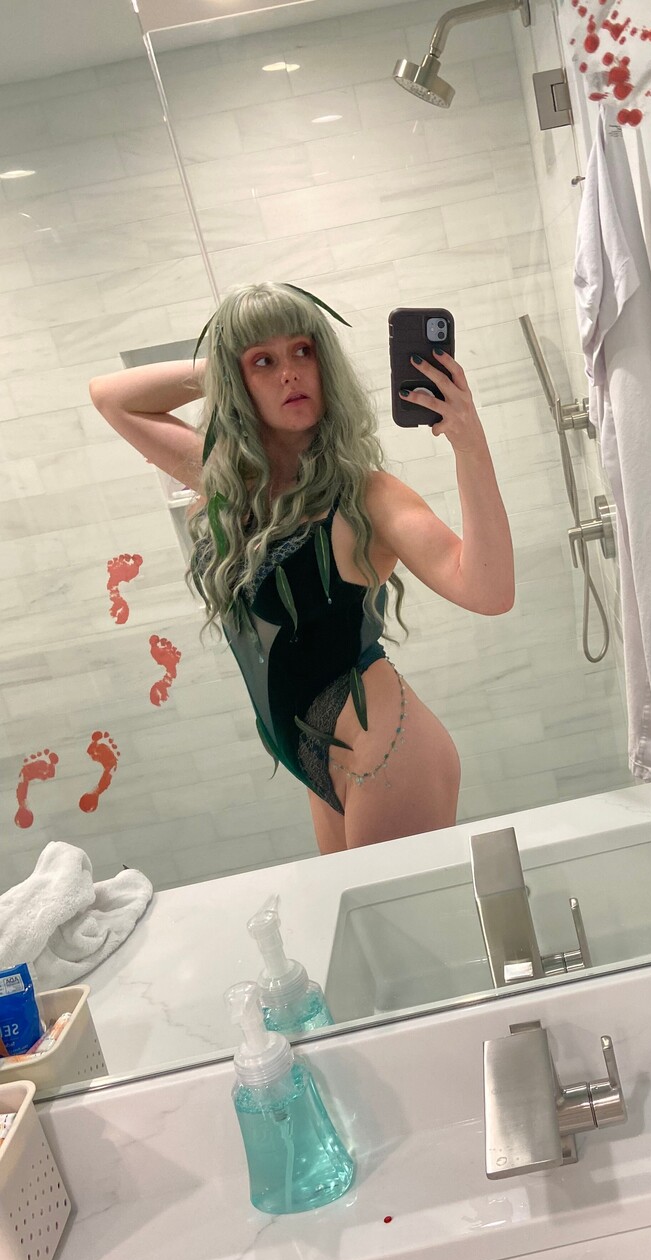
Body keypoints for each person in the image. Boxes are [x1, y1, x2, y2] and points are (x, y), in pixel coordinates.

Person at [89, 281, 514, 854]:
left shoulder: (365, 496)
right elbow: (109, 396)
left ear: (325, 364)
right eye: (264, 361)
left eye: (303, 351)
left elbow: (489, 591)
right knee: (360, 913)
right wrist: (227, 363)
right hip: (320, 760)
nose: (290, 373)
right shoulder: (230, 486)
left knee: (395, 915)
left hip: (385, 752)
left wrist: (468, 442)